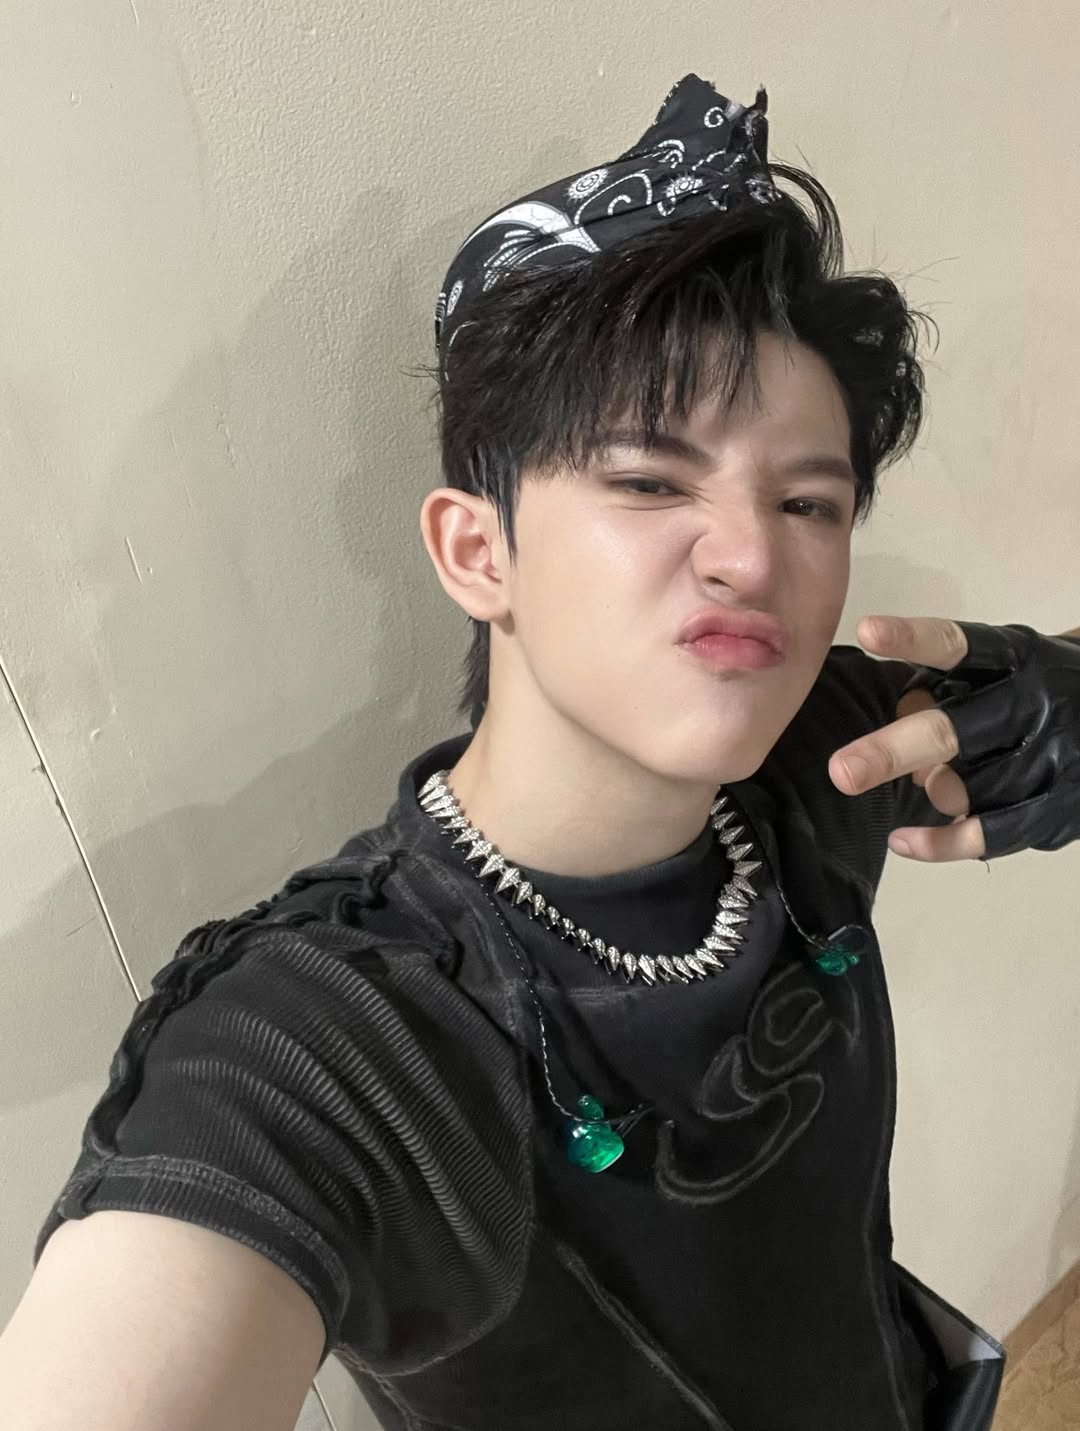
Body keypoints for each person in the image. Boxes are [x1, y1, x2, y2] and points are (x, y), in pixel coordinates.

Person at [4, 70, 1079, 1431]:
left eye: (809, 502)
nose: (751, 556)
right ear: (479, 551)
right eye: (648, 481)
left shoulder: (831, 756)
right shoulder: (348, 1030)